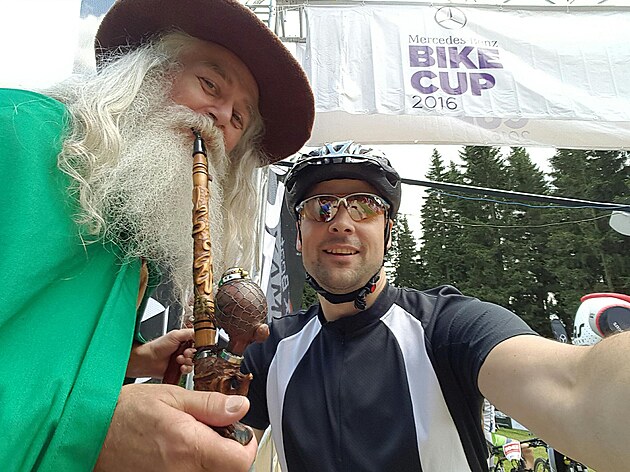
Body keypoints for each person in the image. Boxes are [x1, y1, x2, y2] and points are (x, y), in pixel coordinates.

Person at [0, 0, 314, 470]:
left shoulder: (132, 246)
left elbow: (37, 345)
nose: (220, 116)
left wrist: (128, 361)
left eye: (238, 120)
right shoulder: (15, 131)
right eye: (210, 84)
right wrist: (93, 430)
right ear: (147, 71)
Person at [241, 141, 630, 472]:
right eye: (320, 207)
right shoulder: (267, 349)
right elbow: (222, 452)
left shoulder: (450, 329)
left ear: (388, 231)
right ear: (298, 235)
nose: (342, 222)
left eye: (365, 206)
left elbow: (577, 387)